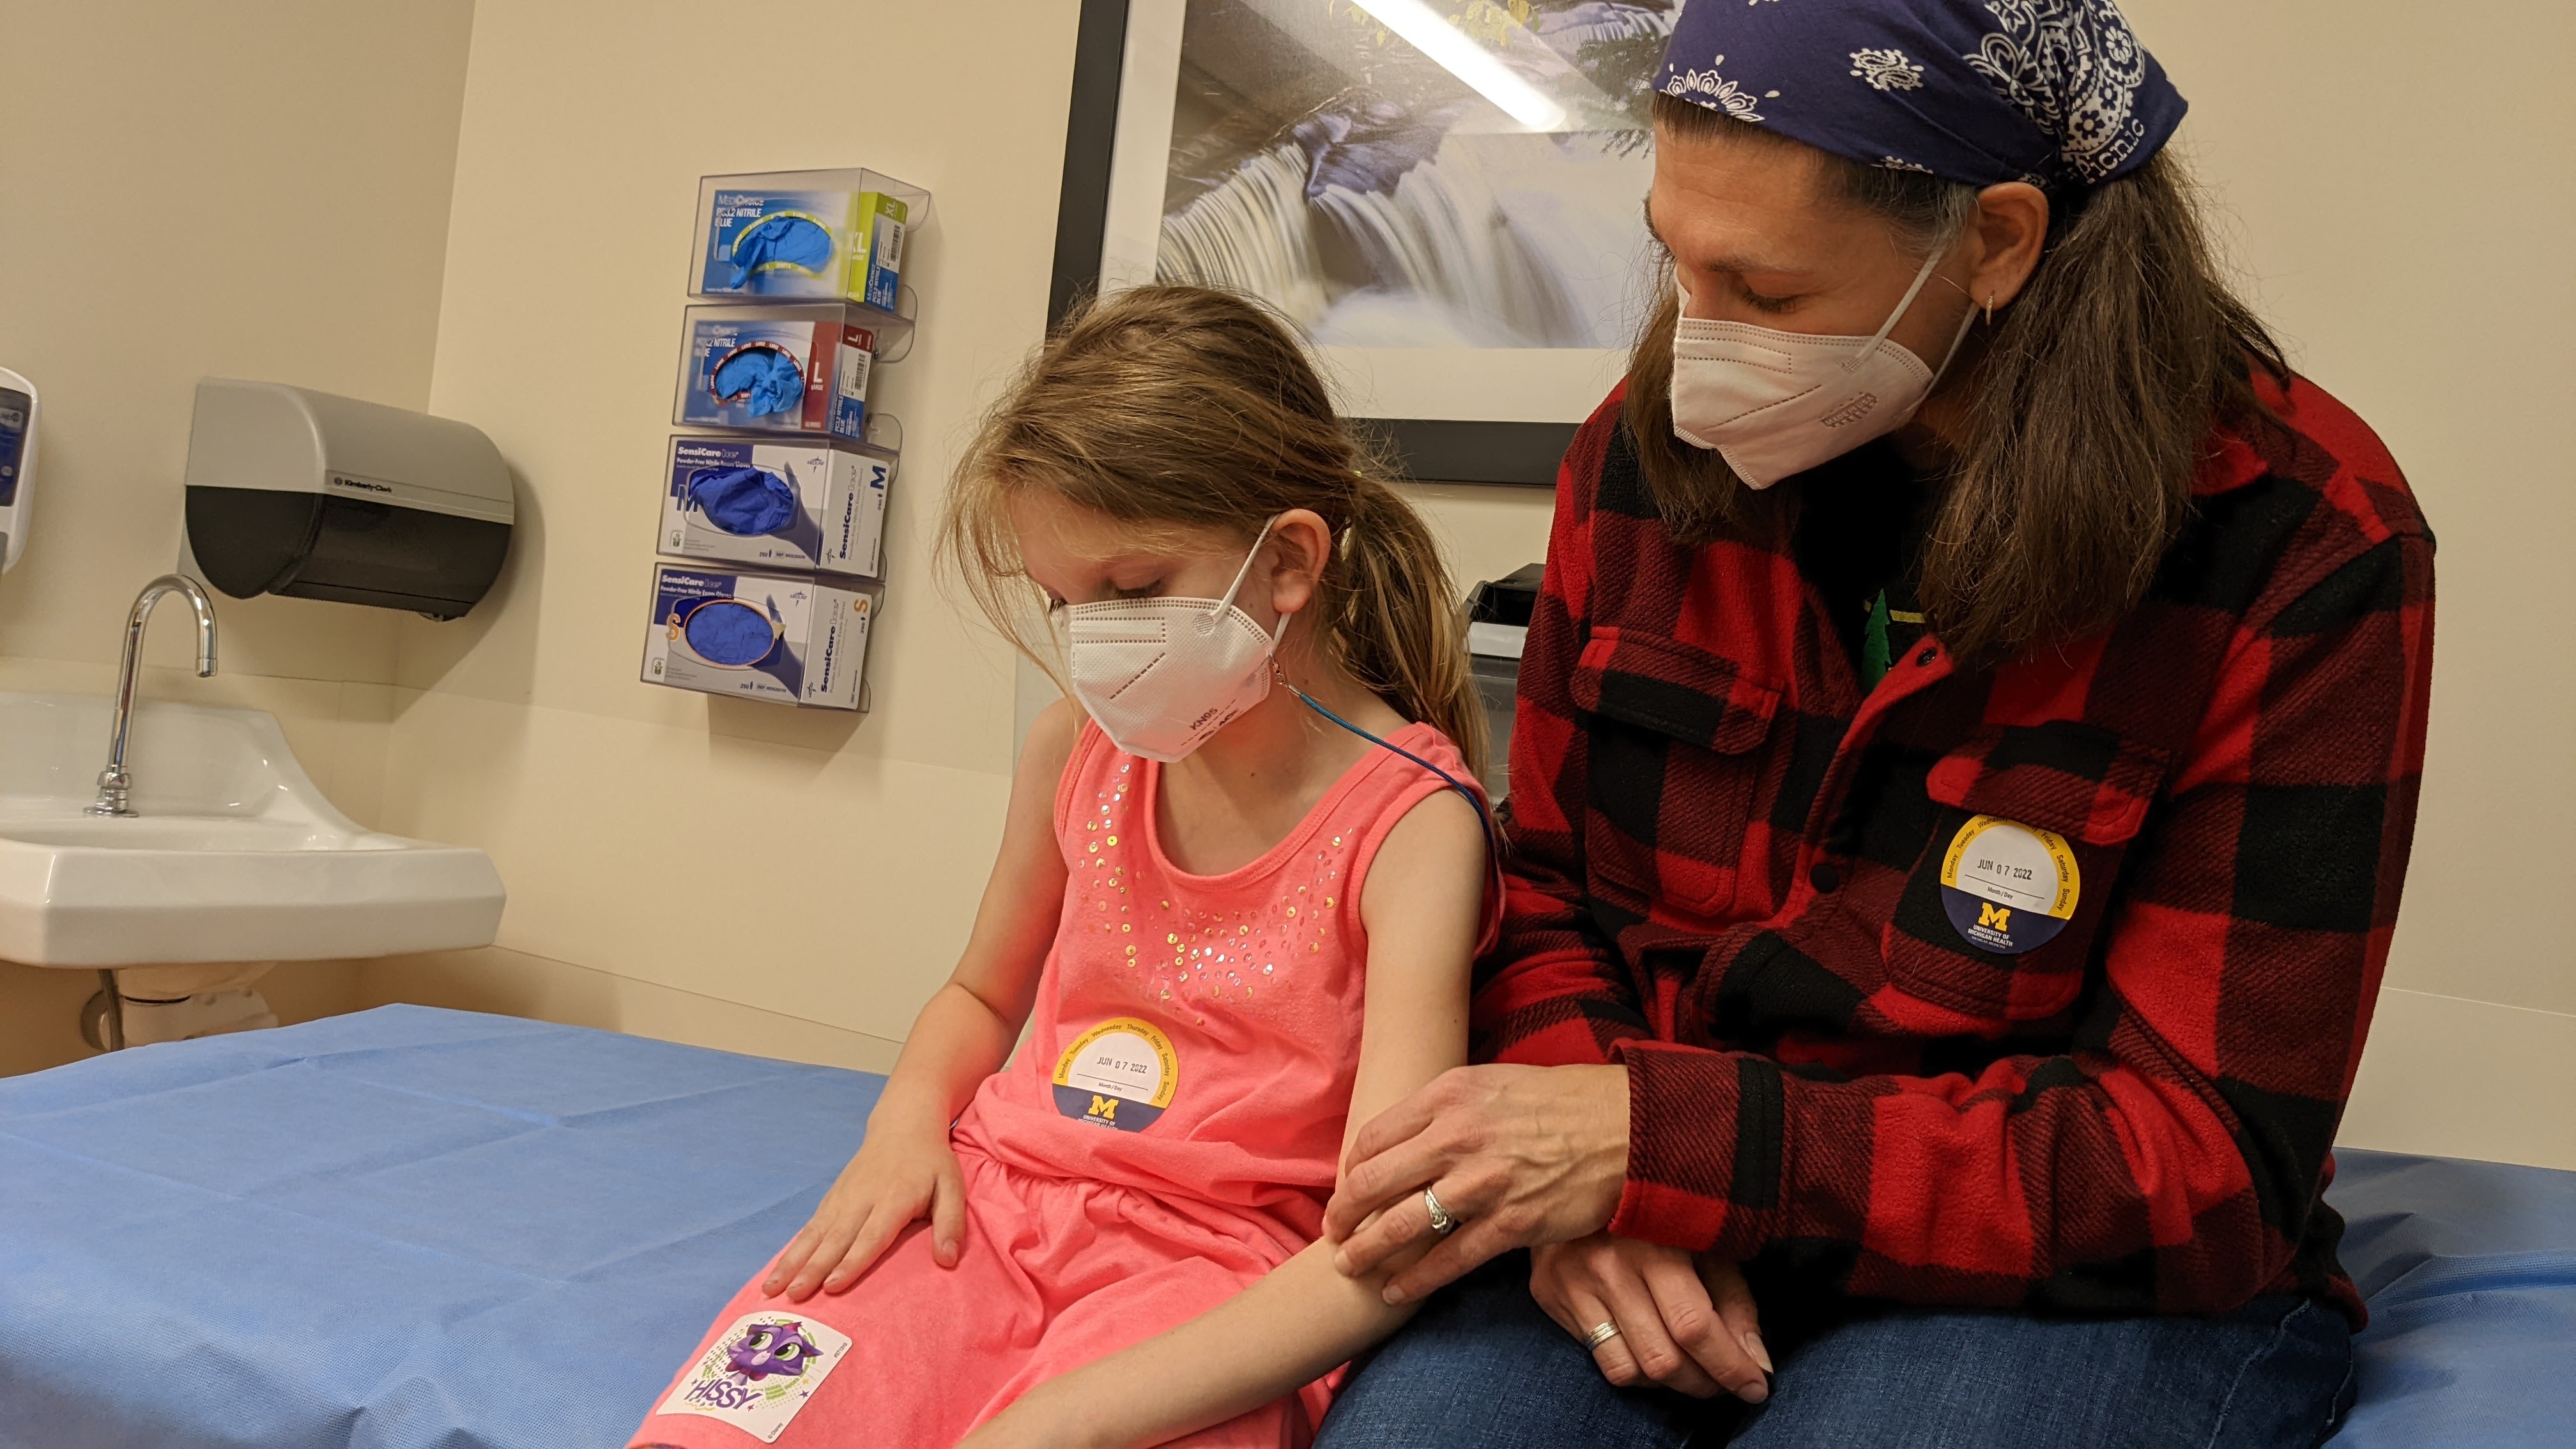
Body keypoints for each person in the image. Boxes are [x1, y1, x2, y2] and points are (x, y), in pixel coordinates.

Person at [1313, 2, 2432, 1446]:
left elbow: (2199, 1162)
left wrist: (1662, 1148)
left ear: (1998, 243)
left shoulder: (2300, 544)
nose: (1699, 344)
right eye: (1676, 261)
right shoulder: (1641, 465)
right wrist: (1569, 1168)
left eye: (1767, 293)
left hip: (2062, 1272)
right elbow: (1544, 897)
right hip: (1656, 1186)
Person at [628, 284, 1498, 1449]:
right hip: (986, 1212)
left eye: (1132, 593)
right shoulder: (1074, 753)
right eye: (1064, 603)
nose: (1094, 643)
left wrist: (1066, 1419)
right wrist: (903, 1128)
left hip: (1221, 1288)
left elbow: (1389, 1237)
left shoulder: (1413, 827)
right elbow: (981, 995)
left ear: (1289, 561)